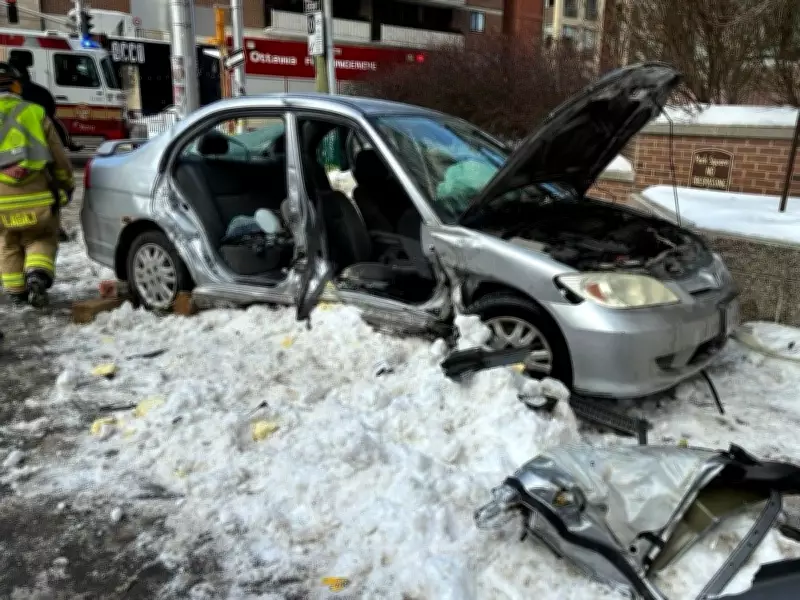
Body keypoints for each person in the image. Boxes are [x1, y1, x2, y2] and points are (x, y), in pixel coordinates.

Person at [0, 63, 74, 308]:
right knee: (40, 237)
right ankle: (36, 276)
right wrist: (65, 185)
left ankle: (15, 291)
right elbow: (58, 157)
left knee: (8, 242)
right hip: (37, 194)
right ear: (16, 85)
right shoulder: (35, 112)